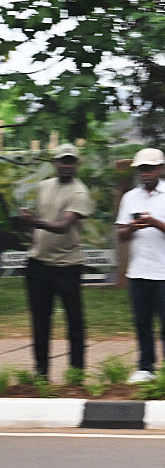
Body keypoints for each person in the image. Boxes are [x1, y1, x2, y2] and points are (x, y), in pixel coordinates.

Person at [115, 148, 165, 384]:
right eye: (141, 169)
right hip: (139, 270)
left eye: (149, 168)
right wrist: (133, 227)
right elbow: (120, 234)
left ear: (160, 168)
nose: (145, 173)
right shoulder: (130, 197)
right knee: (142, 323)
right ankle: (145, 367)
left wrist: (154, 222)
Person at [17, 143, 94, 380]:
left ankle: (76, 375)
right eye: (62, 160)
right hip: (38, 264)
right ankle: (41, 375)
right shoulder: (43, 187)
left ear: (76, 164)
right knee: (40, 321)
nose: (66, 165)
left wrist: (35, 223)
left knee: (74, 322)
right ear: (55, 163)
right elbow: (40, 220)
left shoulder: (79, 192)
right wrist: (33, 237)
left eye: (71, 161)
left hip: (67, 266)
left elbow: (62, 226)